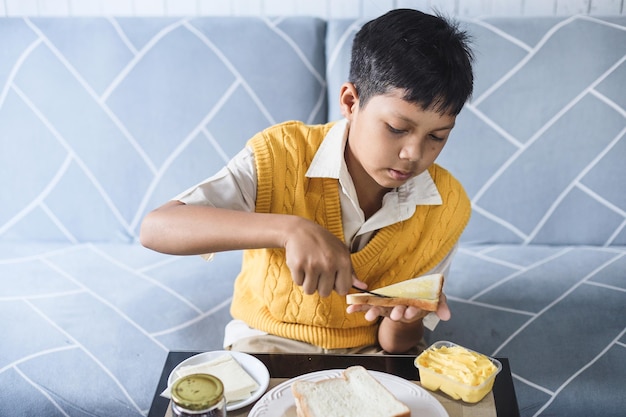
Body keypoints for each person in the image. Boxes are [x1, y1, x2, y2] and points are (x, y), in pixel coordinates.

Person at [140, 9, 474, 355]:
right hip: (267, 339)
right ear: (350, 101)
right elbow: (157, 228)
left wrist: (405, 319)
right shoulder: (280, 155)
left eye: (437, 136)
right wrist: (288, 230)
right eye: (396, 128)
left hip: (369, 351)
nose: (413, 153)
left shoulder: (446, 206)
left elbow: (396, 345)